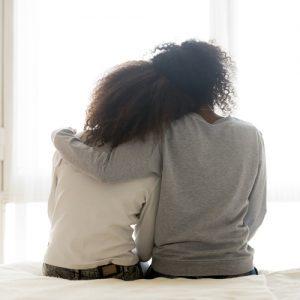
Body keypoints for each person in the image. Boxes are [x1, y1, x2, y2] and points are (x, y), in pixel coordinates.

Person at [52, 39, 267, 279]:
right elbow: (256, 213)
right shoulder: (251, 135)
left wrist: (61, 138)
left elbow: (106, 170)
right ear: (216, 82)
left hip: (173, 268)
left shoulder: (162, 132)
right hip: (236, 266)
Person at [43, 131, 160, 281]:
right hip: (113, 271)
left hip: (54, 265)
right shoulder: (150, 172)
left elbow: (53, 213)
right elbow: (144, 252)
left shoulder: (64, 152)